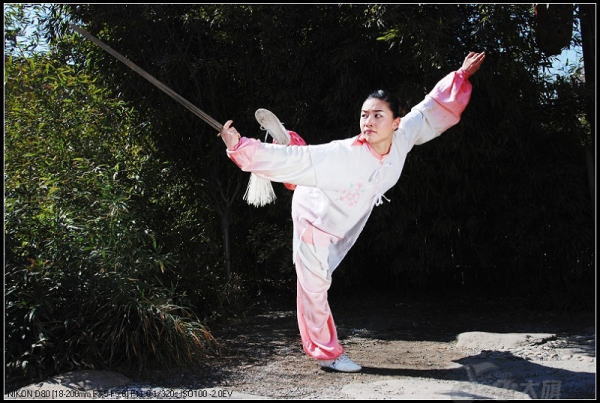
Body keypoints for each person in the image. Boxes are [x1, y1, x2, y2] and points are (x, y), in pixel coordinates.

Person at [219, 52, 486, 372]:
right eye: (364, 115)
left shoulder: (404, 134)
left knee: (310, 173)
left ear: (396, 122)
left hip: (341, 209)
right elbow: (300, 164)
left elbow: (429, 108)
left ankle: (290, 141)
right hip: (314, 217)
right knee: (314, 286)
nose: (368, 122)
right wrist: (240, 147)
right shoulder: (347, 154)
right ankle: (328, 354)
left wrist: (459, 76)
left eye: (377, 115)